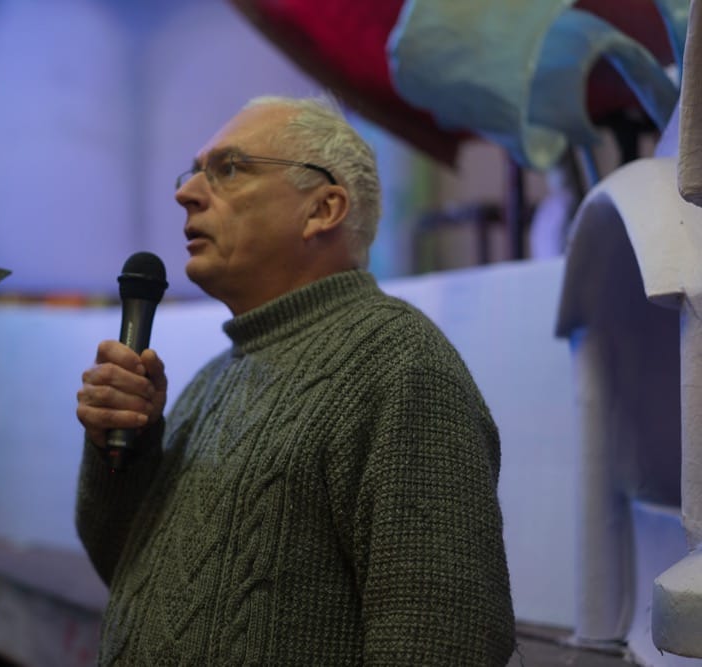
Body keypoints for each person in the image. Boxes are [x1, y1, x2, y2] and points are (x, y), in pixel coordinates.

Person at [75, 95, 515, 665]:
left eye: (229, 168)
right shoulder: (213, 380)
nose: (186, 194)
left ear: (322, 209)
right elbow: (129, 573)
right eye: (195, 172)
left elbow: (441, 641)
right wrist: (124, 447)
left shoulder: (399, 366)